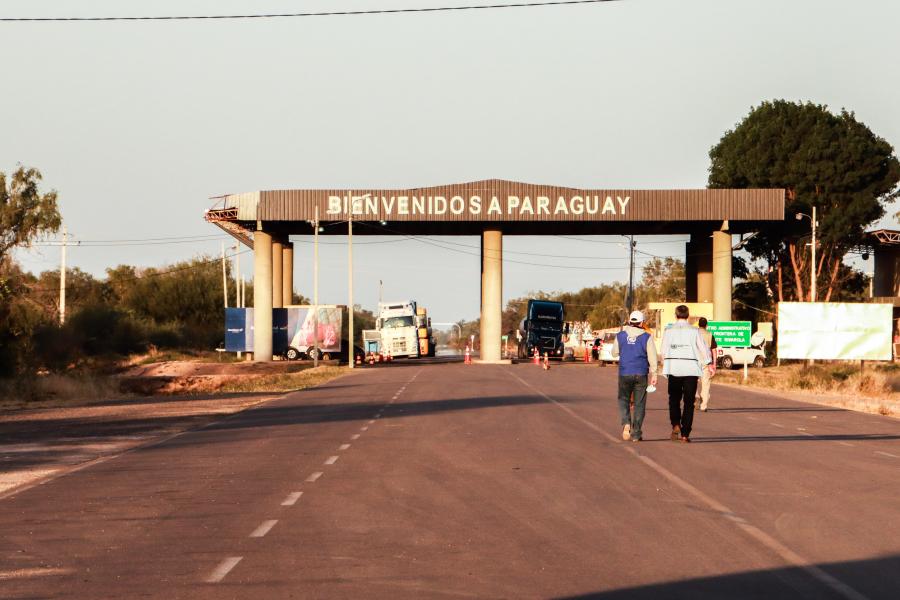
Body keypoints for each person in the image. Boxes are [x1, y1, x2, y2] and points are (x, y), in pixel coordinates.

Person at [659, 305, 712, 443]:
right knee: (689, 402)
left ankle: (676, 424)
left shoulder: (668, 331)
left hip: (674, 368)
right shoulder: (695, 331)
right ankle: (685, 434)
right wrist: (706, 363)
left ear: (676, 316)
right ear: (688, 316)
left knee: (674, 399)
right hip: (691, 370)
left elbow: (663, 351)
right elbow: (705, 350)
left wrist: (665, 364)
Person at [611, 310, 658, 442]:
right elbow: (652, 357)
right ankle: (636, 433)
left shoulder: (620, 335)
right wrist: (654, 374)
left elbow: (614, 353)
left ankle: (626, 423)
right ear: (642, 323)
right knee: (639, 404)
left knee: (623, 399)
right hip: (641, 373)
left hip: (625, 373)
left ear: (630, 321)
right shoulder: (646, 337)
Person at [696, 317, 717, 412]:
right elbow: (714, 350)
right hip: (706, 362)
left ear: (698, 324)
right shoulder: (709, 335)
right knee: (706, 384)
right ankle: (703, 406)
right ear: (706, 325)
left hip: (694, 361)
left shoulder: (694, 333)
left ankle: (695, 395)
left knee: (692, 382)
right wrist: (714, 364)